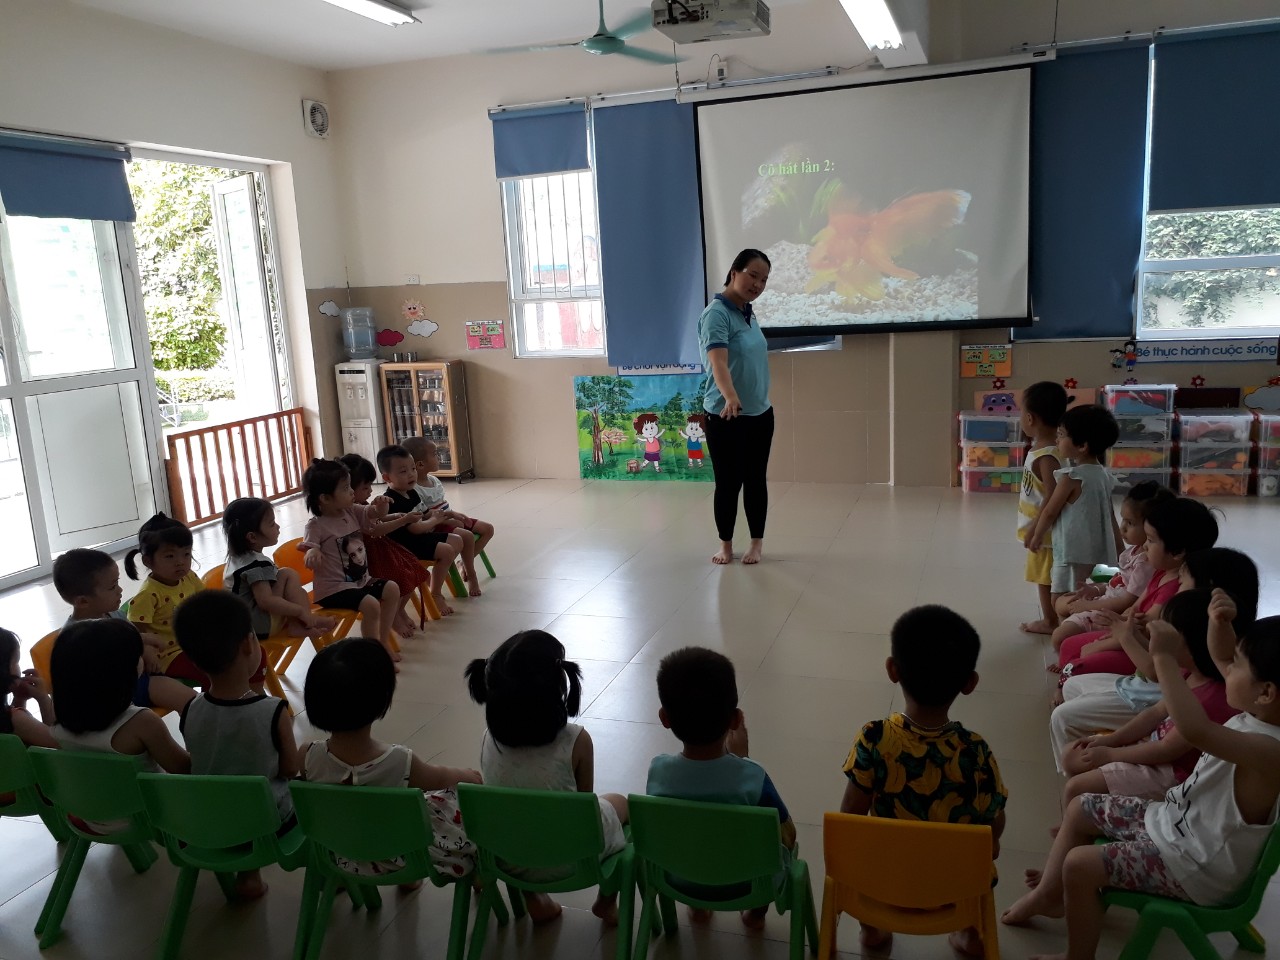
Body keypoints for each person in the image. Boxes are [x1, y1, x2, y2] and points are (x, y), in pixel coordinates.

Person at [1002, 599, 1280, 960]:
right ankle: (1049, 896)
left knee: (1080, 865)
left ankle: (1077, 957)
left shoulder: (1270, 750)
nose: (1226, 667)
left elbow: (1195, 729)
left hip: (1195, 866)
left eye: (1238, 664)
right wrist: (1219, 623)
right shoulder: (1258, 713)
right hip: (1178, 826)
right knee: (1081, 807)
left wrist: (1162, 657)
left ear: (1267, 692)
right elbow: (1222, 657)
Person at [839, 606, 1007, 957]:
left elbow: (851, 814)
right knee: (979, 863)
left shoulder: (874, 738)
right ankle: (969, 934)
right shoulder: (974, 750)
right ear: (970, 683)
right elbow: (994, 822)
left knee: (859, 855)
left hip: (884, 882)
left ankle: (872, 930)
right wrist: (991, 843)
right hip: (953, 888)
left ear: (892, 669)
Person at [465, 630, 627, 924]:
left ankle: (534, 898)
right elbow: (583, 809)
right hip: (571, 859)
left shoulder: (489, 738)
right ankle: (605, 901)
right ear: (559, 689)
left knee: (518, 816)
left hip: (508, 856)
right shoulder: (577, 740)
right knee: (619, 803)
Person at [1049, 544, 1255, 771]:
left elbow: (1156, 672)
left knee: (1063, 717)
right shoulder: (1190, 622)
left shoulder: (1200, 640)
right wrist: (1128, 632)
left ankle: (1078, 769)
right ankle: (1088, 760)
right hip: (1140, 691)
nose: (1177, 587)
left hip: (1145, 700)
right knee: (1072, 686)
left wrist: (1126, 636)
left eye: (1182, 583)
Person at [303, 638, 480, 882]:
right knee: (452, 800)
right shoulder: (399, 761)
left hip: (342, 854)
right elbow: (441, 777)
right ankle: (459, 876)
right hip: (403, 857)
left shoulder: (307, 755)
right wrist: (470, 776)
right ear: (381, 698)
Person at [647, 646, 795, 931]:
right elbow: (787, 834)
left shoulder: (658, 771)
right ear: (736, 720)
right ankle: (755, 915)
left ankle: (697, 907)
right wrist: (742, 760)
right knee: (769, 854)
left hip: (679, 877)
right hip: (746, 884)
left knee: (693, 836)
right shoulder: (753, 776)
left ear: (664, 718)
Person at [1058, 590, 1237, 811]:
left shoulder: (1212, 699)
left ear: (1194, 644)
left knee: (1075, 787)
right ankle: (1082, 817)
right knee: (1071, 756)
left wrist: (1111, 754)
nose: (1156, 636)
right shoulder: (1188, 674)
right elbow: (1155, 713)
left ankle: (1077, 823)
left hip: (1171, 774)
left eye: (1166, 634)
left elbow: (1166, 750)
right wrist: (1113, 740)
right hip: (1152, 747)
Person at [174, 590, 300, 900]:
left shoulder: (191, 708)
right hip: (266, 824)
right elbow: (289, 769)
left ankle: (249, 876)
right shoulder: (272, 711)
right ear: (248, 644)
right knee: (311, 790)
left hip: (207, 820)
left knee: (238, 787)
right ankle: (329, 869)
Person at [1054, 497, 1220, 682]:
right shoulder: (1161, 572)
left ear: (1178, 552)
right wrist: (1117, 621)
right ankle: (1068, 676)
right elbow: (1133, 610)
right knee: (1069, 646)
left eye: (1151, 540)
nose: (1145, 545)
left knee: (1080, 664)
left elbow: (1144, 632)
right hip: (1126, 636)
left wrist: (1102, 643)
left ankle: (1067, 681)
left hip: (1139, 651)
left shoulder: (1175, 589)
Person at [699, 249, 774, 566]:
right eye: (753, 275)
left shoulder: (747, 312)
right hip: (725, 414)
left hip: (760, 413)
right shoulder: (716, 314)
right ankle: (726, 545)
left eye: (764, 280)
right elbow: (718, 362)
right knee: (728, 484)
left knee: (756, 480)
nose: (758, 284)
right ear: (734, 272)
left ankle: (756, 543)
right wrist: (730, 396)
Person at [52, 548, 195, 713]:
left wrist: (146, 650)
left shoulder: (115, 614)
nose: (120, 590)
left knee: (192, 701)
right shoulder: (74, 639)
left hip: (139, 681)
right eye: (112, 587)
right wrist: (141, 645)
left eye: (117, 583)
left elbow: (136, 639)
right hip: (109, 697)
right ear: (83, 601)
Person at [50, 619, 190, 782]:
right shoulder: (142, 722)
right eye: (137, 656)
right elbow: (184, 768)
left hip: (93, 796)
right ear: (122, 672)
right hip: (149, 797)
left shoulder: (58, 715)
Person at [1025, 404, 1121, 624]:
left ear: (1082, 446)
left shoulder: (1071, 477)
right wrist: (1119, 549)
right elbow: (1110, 515)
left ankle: (1070, 628)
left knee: (1060, 598)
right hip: (1097, 550)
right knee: (1087, 590)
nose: (1057, 440)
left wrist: (1037, 534)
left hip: (1071, 552)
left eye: (1061, 435)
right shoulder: (1103, 475)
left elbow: (1050, 511)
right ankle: (1086, 621)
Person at [1050, 481, 1172, 653]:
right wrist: (1096, 590)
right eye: (1123, 519)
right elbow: (1119, 581)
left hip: (1112, 610)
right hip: (1107, 598)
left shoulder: (1145, 563)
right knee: (1060, 603)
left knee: (1058, 637)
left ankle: (1072, 642)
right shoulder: (1134, 551)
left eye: (1130, 523)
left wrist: (1088, 606)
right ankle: (1074, 631)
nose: (1122, 527)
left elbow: (1126, 601)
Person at [300, 459, 403, 663]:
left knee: (392, 588)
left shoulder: (351, 511)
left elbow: (374, 513)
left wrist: (381, 506)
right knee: (371, 605)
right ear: (325, 498)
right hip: (334, 590)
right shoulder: (316, 525)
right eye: (346, 488)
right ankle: (373, 655)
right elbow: (310, 546)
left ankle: (382, 642)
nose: (352, 492)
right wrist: (312, 552)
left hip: (360, 582)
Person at [338, 453, 430, 637]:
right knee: (399, 577)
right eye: (365, 487)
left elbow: (377, 518)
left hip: (382, 548)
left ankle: (398, 611)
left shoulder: (360, 503)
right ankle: (393, 615)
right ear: (348, 489)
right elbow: (375, 530)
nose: (370, 491)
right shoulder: (349, 510)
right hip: (371, 557)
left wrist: (393, 516)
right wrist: (403, 520)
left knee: (413, 568)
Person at [222, 497, 336, 642]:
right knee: (287, 574)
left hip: (244, 626)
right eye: (272, 524)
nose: (278, 527)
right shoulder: (256, 565)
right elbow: (266, 601)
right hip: (259, 628)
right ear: (252, 537)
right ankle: (305, 620)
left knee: (293, 587)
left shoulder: (236, 559)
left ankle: (299, 623)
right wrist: (299, 611)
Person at [400, 436, 495, 597]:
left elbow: (442, 505)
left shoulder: (434, 480)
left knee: (488, 529)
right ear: (420, 464)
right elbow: (425, 517)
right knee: (466, 536)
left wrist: (454, 515)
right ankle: (471, 574)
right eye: (434, 454)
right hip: (437, 525)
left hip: (449, 518)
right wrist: (450, 519)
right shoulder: (414, 489)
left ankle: (464, 563)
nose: (438, 457)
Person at [375, 445, 463, 616]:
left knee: (457, 540)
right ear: (387, 477)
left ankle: (433, 579)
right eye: (403, 471)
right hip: (405, 546)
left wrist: (447, 515)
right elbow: (415, 528)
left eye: (413, 469)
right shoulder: (392, 500)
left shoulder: (411, 492)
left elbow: (426, 513)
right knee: (446, 550)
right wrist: (435, 520)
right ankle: (436, 593)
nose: (411, 474)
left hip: (420, 538)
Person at [125, 513, 209, 687]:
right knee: (213, 670)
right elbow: (136, 633)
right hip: (168, 655)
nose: (180, 562)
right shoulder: (148, 594)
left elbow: (205, 603)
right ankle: (218, 701)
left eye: (186, 554)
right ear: (148, 561)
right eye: (170, 556)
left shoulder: (190, 577)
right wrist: (147, 651)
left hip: (195, 642)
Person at [1018, 382, 1068, 634]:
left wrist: (1037, 529)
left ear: (1030, 418)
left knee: (1045, 577)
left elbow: (1053, 496)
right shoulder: (1043, 449)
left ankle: (1050, 621)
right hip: (1043, 528)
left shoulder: (1047, 456)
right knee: (1047, 575)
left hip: (1046, 533)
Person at [1, 627, 57, 748]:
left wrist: (19, 699)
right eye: (16, 662)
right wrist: (43, 698)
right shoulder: (17, 720)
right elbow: (60, 742)